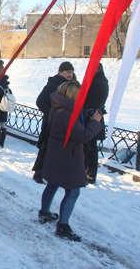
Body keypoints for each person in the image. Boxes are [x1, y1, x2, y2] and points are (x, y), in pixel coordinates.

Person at [38, 81, 103, 242]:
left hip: (56, 152)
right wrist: (95, 121)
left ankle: (44, 212)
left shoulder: (57, 107)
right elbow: (83, 136)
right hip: (68, 156)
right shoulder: (67, 113)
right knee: (73, 191)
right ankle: (63, 226)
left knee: (52, 183)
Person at [32, 61, 75, 183]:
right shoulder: (53, 84)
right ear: (60, 72)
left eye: (71, 72)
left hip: (63, 122)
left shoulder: (70, 85)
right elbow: (40, 101)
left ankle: (54, 173)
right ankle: (38, 173)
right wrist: (54, 113)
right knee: (46, 147)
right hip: (51, 123)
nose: (70, 74)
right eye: (67, 72)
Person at [83, 63, 109, 184]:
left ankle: (89, 174)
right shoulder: (102, 81)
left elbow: (86, 99)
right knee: (91, 148)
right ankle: (90, 174)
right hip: (95, 117)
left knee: (89, 148)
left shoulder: (96, 83)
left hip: (91, 118)